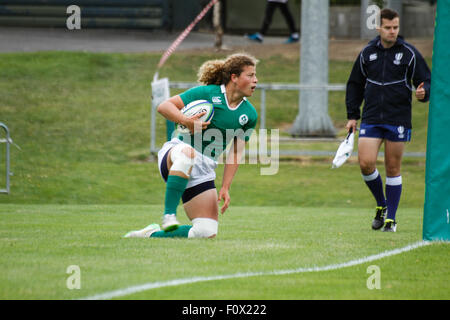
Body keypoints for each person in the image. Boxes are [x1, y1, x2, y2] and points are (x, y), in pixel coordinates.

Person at [125, 53, 258, 239]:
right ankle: (169, 215)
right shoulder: (207, 93)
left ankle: (150, 234)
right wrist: (186, 121)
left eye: (255, 75)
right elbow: (164, 106)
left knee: (206, 232)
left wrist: (226, 187)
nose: (255, 80)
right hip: (176, 154)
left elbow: (235, 153)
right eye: (250, 75)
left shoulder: (249, 114)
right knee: (188, 154)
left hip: (204, 170)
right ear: (234, 78)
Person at [345, 8, 431, 232]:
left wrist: (424, 93)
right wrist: (352, 115)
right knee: (365, 163)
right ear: (379, 28)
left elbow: (426, 80)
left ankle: (391, 219)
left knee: (393, 167)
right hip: (372, 117)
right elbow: (354, 84)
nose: (392, 32)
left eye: (396, 28)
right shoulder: (367, 53)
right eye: (388, 28)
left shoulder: (409, 53)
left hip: (397, 118)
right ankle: (381, 204)